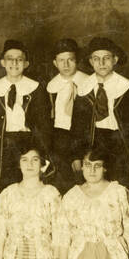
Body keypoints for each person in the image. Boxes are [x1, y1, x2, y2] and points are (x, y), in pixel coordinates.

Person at [0, 39, 52, 186]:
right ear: (2, 62)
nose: (14, 63)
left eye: (19, 59)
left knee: (26, 185)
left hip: (27, 145)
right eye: (10, 59)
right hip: (1, 148)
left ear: (26, 64)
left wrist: (42, 153)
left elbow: (44, 126)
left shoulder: (37, 89)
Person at [70, 36, 129, 185]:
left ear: (115, 60)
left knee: (120, 186)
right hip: (94, 143)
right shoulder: (85, 89)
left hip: (120, 144)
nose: (102, 63)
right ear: (91, 62)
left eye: (106, 58)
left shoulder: (127, 87)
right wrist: (76, 156)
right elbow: (77, 127)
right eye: (96, 59)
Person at [46, 37, 89, 191]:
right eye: (61, 60)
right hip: (60, 138)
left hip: (84, 137)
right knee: (63, 181)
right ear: (55, 63)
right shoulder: (51, 86)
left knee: (84, 180)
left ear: (77, 60)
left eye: (70, 60)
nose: (66, 65)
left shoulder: (88, 82)